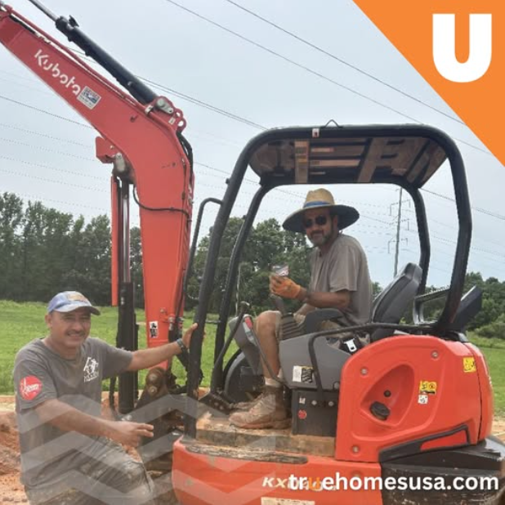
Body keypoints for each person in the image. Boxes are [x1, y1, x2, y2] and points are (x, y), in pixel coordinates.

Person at [13, 291, 197, 505]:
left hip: (95, 454)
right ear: (49, 320)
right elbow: (48, 410)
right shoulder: (31, 359)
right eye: (68, 318)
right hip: (50, 474)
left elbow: (135, 358)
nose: (78, 326)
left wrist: (180, 345)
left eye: (84, 318)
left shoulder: (93, 349)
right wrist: (111, 429)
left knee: (134, 479)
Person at [230, 188, 372, 429]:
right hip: (328, 325)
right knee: (262, 324)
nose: (314, 227)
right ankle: (274, 397)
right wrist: (293, 313)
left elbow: (341, 301)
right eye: (308, 223)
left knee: (265, 321)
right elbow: (315, 300)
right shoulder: (318, 255)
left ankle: (274, 404)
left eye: (320, 220)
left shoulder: (344, 247)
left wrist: (298, 293)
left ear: (335, 221)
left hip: (346, 334)